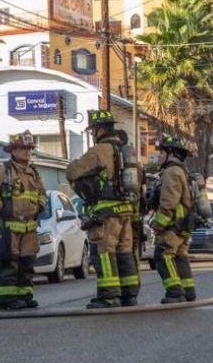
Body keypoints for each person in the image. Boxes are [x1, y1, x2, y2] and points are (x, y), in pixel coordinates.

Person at [67, 109, 139, 308]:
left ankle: (108, 296)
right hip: (126, 211)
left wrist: (75, 167)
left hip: (107, 214)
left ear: (98, 129)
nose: (92, 134)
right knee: (124, 253)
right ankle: (129, 295)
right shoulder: (125, 150)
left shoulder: (99, 151)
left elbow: (72, 172)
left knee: (104, 253)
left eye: (92, 131)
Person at [0, 131, 47, 311]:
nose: (27, 152)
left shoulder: (33, 173)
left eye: (29, 149)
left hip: (29, 229)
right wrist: (2, 208)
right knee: (10, 263)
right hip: (10, 228)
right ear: (13, 151)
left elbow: (42, 193)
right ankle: (6, 298)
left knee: (27, 263)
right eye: (23, 148)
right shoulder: (4, 171)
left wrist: (39, 206)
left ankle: (24, 296)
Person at [150, 135, 197, 303]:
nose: (159, 156)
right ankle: (188, 291)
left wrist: (158, 224)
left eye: (161, 152)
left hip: (172, 225)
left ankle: (175, 292)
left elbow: (169, 202)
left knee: (163, 255)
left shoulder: (171, 172)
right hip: (183, 225)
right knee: (180, 256)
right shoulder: (183, 171)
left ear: (170, 153)